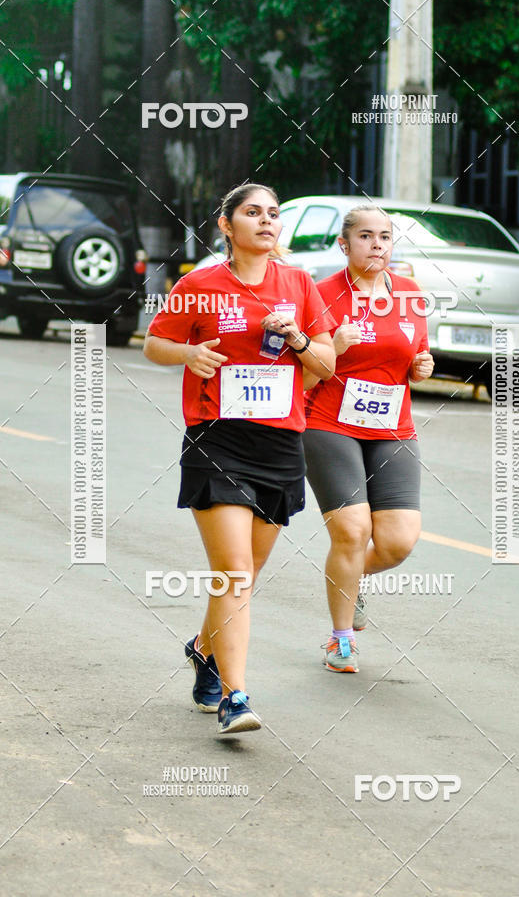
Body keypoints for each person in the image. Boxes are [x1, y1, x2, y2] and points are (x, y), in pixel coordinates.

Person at [144, 183, 335, 733]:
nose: (267, 221)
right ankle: (236, 698)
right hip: (218, 441)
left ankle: (204, 650)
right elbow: (155, 343)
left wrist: (299, 340)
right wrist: (188, 352)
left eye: (273, 213)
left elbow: (326, 365)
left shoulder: (298, 284)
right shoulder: (199, 285)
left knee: (243, 575)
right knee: (235, 575)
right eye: (253, 213)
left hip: (280, 446)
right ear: (227, 225)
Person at [302, 204, 434, 672]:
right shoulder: (320, 296)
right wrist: (333, 349)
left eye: (385, 236)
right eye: (365, 236)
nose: (377, 244)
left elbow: (415, 356)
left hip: (392, 428)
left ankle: (351, 579)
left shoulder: (410, 294)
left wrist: (421, 366)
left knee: (398, 543)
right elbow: (301, 378)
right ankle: (340, 641)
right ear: (344, 244)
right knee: (353, 531)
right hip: (328, 424)